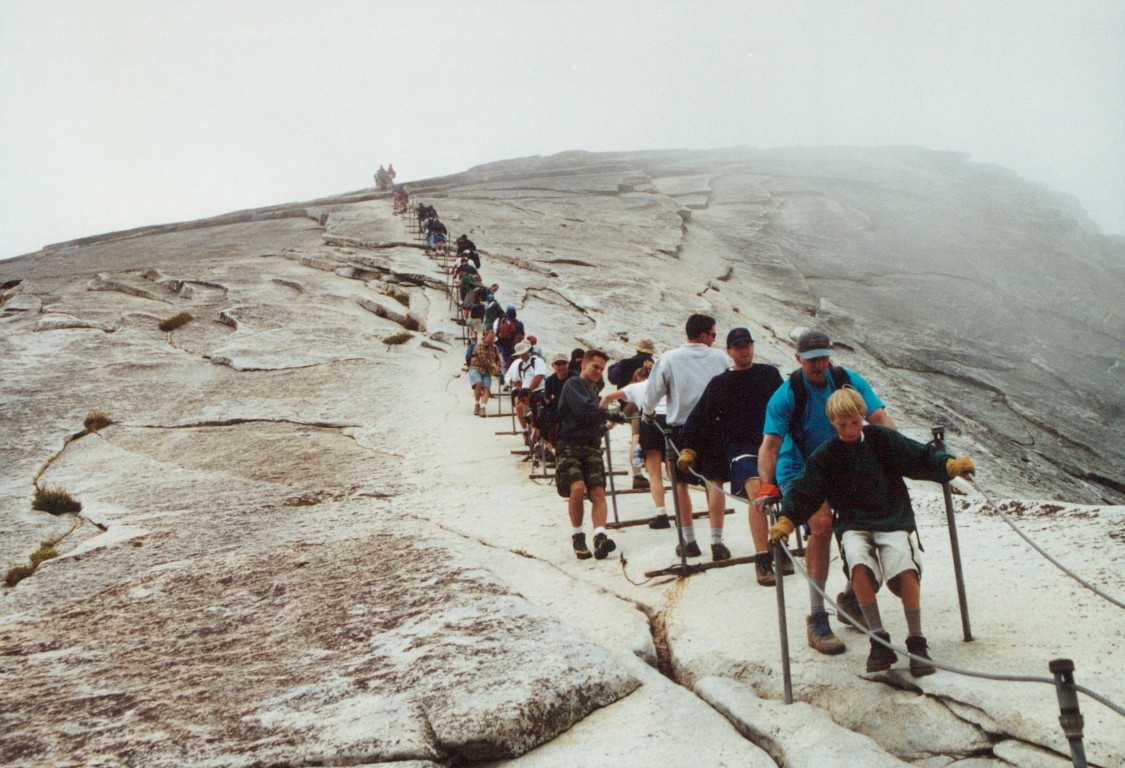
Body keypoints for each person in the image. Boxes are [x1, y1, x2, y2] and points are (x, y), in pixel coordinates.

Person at [769, 387, 976, 677]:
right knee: (858, 563)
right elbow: (806, 489)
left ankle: (916, 641)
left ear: (861, 417)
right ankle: (879, 640)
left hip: (893, 517)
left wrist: (948, 465)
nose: (851, 430)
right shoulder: (826, 455)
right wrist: (787, 519)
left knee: (904, 565)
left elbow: (916, 455)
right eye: (843, 425)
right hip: (853, 523)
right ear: (833, 423)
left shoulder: (882, 439)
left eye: (854, 422)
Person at [756, 329, 898, 655]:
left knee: (866, 520)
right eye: (811, 359)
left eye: (823, 357)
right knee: (820, 525)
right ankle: (817, 617)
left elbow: (877, 417)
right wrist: (768, 484)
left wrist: (897, 450)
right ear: (798, 359)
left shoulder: (847, 381)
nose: (818, 364)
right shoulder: (787, 394)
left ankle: (849, 596)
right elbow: (770, 445)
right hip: (799, 469)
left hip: (840, 463)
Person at [676, 327, 784, 584]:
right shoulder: (720, 383)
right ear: (729, 352)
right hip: (740, 447)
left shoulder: (769, 375)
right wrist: (688, 447)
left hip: (771, 443)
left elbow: (787, 405)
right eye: (738, 346)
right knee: (758, 491)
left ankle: (779, 547)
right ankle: (762, 557)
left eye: (747, 344)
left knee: (780, 492)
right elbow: (699, 416)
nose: (744, 349)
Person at [642, 314, 731, 560]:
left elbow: (652, 393)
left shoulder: (669, 358)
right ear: (704, 335)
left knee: (680, 484)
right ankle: (717, 543)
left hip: (681, 430)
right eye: (713, 334)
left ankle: (689, 541)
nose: (714, 339)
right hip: (713, 428)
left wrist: (648, 414)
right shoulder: (720, 358)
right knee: (714, 483)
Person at [556, 349, 628, 560]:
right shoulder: (574, 384)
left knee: (598, 491)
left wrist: (603, 427)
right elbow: (584, 411)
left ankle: (599, 535)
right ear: (584, 365)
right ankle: (578, 535)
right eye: (595, 367)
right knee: (577, 488)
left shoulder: (592, 389)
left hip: (591, 446)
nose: (598, 371)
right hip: (569, 445)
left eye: (602, 369)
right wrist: (610, 414)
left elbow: (589, 419)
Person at [602, 362, 671, 512]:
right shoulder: (666, 384)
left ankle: (661, 513)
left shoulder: (636, 387)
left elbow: (608, 397)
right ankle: (683, 514)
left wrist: (598, 416)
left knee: (655, 474)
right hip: (671, 421)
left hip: (651, 422)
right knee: (674, 473)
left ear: (639, 377)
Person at [505, 341, 546, 437]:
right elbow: (518, 380)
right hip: (526, 392)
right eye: (520, 354)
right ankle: (527, 431)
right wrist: (522, 391)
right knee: (520, 407)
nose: (522, 356)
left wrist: (528, 391)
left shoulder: (537, 361)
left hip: (539, 390)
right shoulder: (519, 365)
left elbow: (539, 377)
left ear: (528, 351)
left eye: (524, 353)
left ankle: (535, 431)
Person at [468, 330, 503, 416]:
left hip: (487, 371)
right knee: (478, 383)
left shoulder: (494, 348)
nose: (491, 340)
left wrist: (498, 367)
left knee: (486, 388)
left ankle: (482, 408)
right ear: (485, 336)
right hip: (476, 368)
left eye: (493, 338)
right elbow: (483, 359)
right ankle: (477, 404)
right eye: (490, 338)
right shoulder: (480, 345)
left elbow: (498, 359)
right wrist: (493, 367)